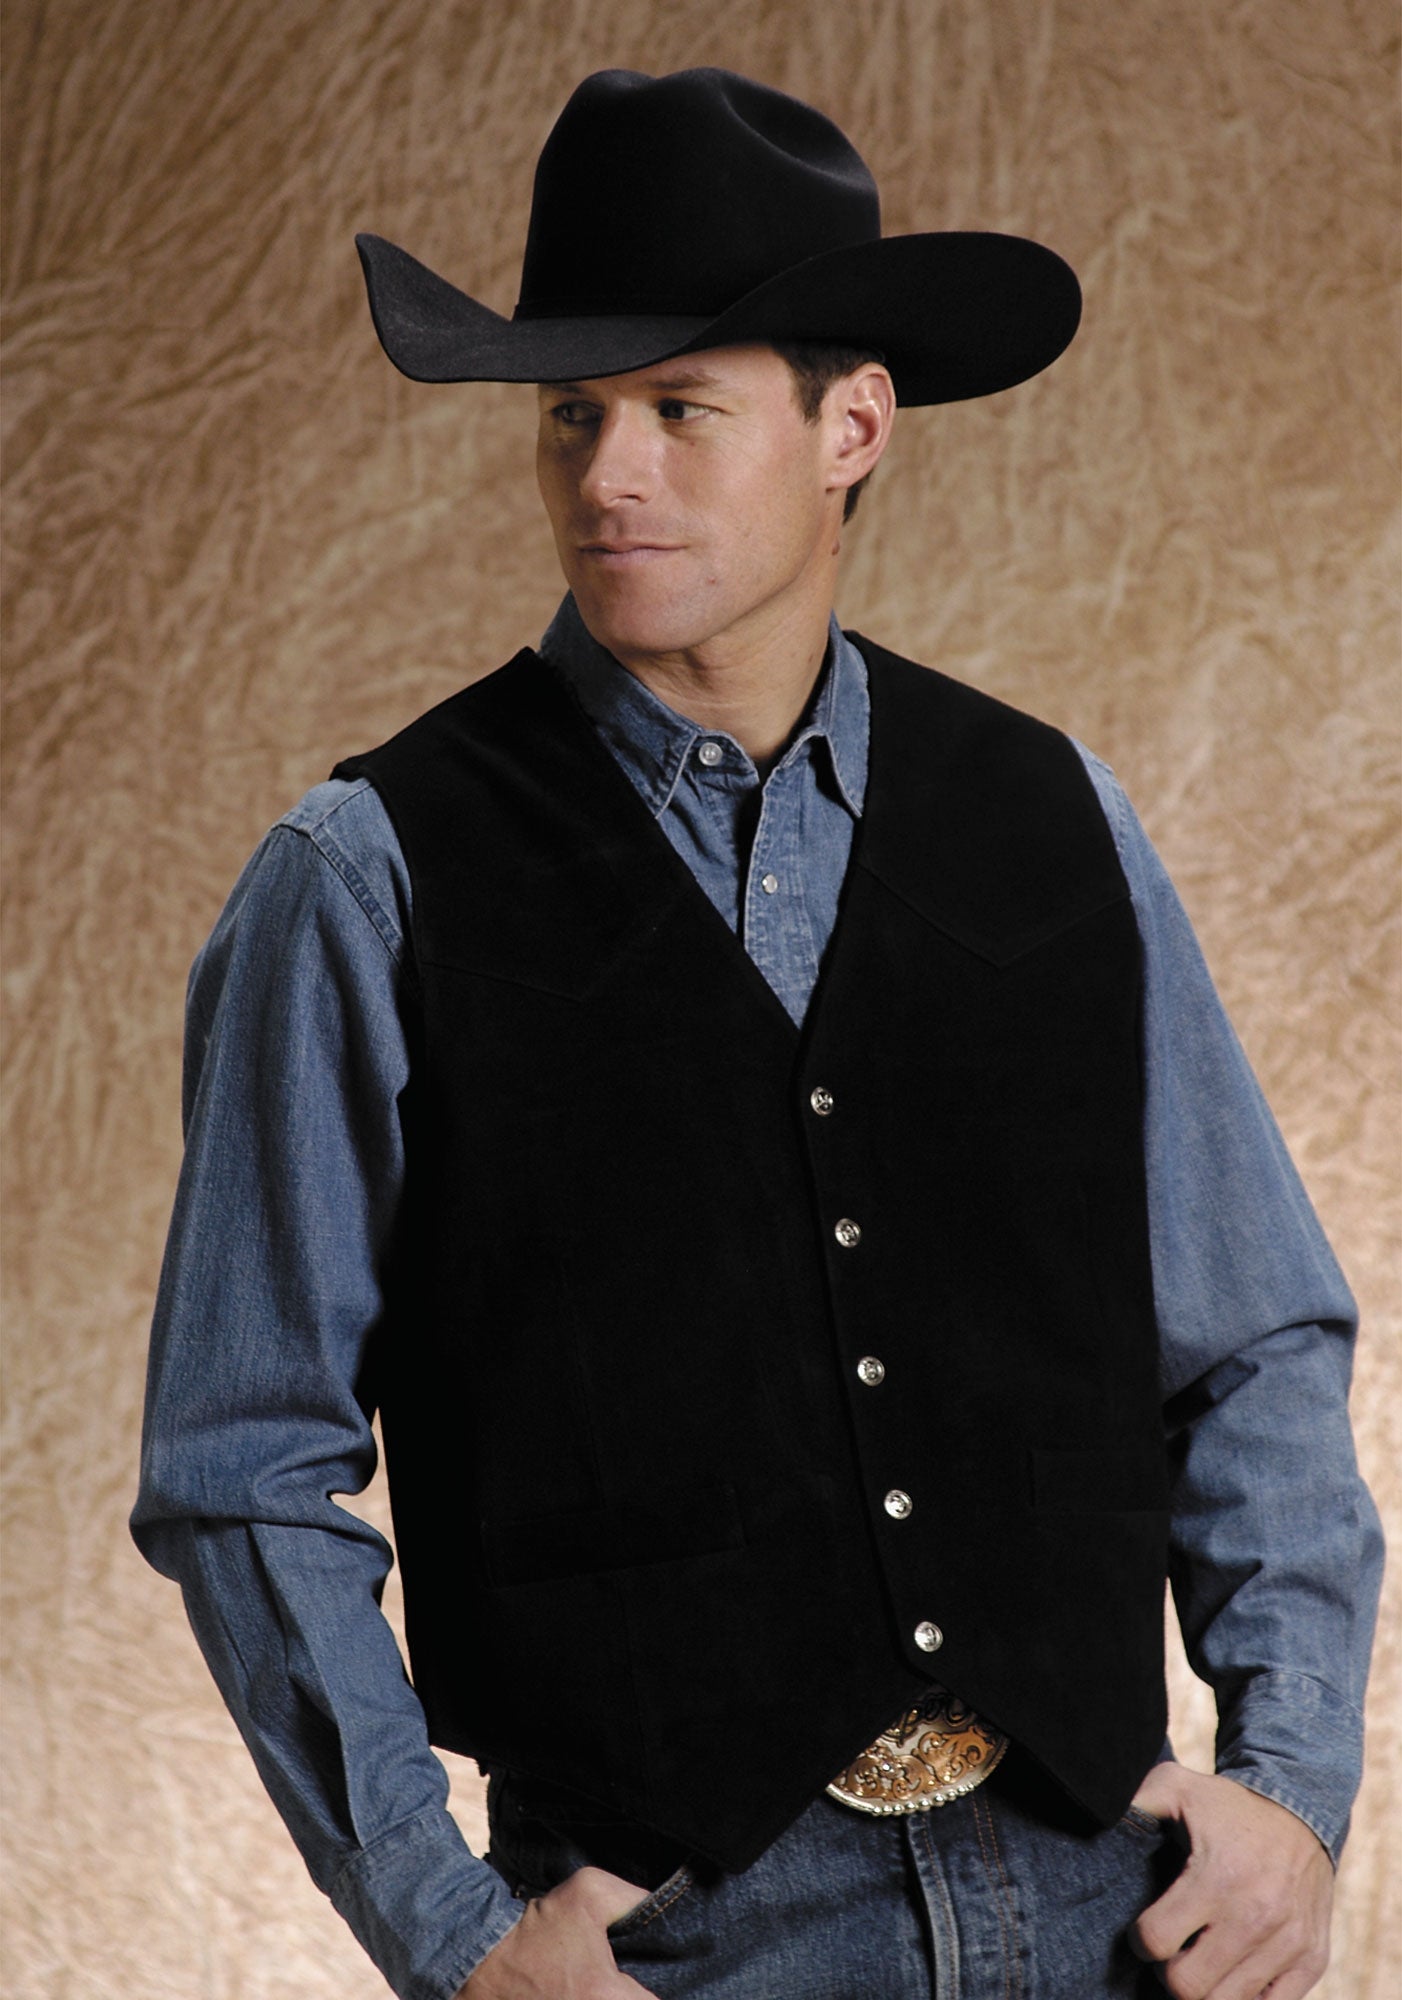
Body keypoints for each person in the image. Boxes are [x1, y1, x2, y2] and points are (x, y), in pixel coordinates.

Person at [133, 66, 1382, 2000]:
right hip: (687, 1940)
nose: (604, 476)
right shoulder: (364, 879)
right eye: (570, 414)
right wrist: (451, 1935)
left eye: (678, 409)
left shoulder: (1058, 824)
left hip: (1107, 1909)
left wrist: (1289, 1786)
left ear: (848, 427)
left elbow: (1254, 1341)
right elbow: (241, 1460)